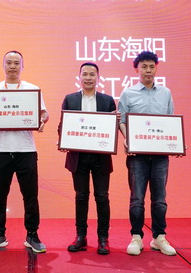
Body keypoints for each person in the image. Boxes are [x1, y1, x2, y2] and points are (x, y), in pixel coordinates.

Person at [0, 50, 49, 253]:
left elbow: (44, 113)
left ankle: (32, 235)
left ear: (22, 66)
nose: (12, 66)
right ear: (3, 65)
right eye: (8, 62)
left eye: (16, 63)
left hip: (26, 150)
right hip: (0, 151)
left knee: (30, 196)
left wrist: (42, 119)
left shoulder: (32, 89)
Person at [118, 51, 178, 256]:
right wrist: (128, 138)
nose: (148, 70)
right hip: (137, 156)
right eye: (144, 66)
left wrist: (176, 143)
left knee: (160, 199)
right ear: (137, 69)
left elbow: (170, 122)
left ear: (156, 69)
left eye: (152, 66)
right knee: (137, 198)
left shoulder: (166, 93)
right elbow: (122, 121)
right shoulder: (128, 93)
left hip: (160, 156)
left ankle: (159, 237)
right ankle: (136, 237)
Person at [58, 62, 116, 255]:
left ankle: (103, 238)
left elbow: (112, 130)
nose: (88, 77)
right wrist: (63, 139)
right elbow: (62, 126)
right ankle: (81, 236)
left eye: (92, 74)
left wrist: (114, 122)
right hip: (78, 157)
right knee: (81, 197)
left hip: (101, 158)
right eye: (85, 74)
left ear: (98, 78)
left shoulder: (108, 101)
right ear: (79, 77)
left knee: (102, 197)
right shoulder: (70, 99)